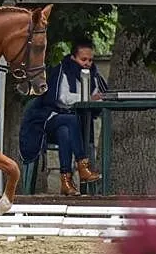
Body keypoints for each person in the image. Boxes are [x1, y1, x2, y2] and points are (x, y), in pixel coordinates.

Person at [20, 38, 108, 196]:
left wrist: (92, 98)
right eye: (83, 59)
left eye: (90, 60)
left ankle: (66, 182)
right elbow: (63, 98)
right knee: (70, 120)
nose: (87, 63)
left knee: (65, 132)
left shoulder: (93, 74)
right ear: (73, 57)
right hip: (49, 118)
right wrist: (87, 98)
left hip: (68, 125)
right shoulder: (63, 70)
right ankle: (82, 166)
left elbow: (99, 96)